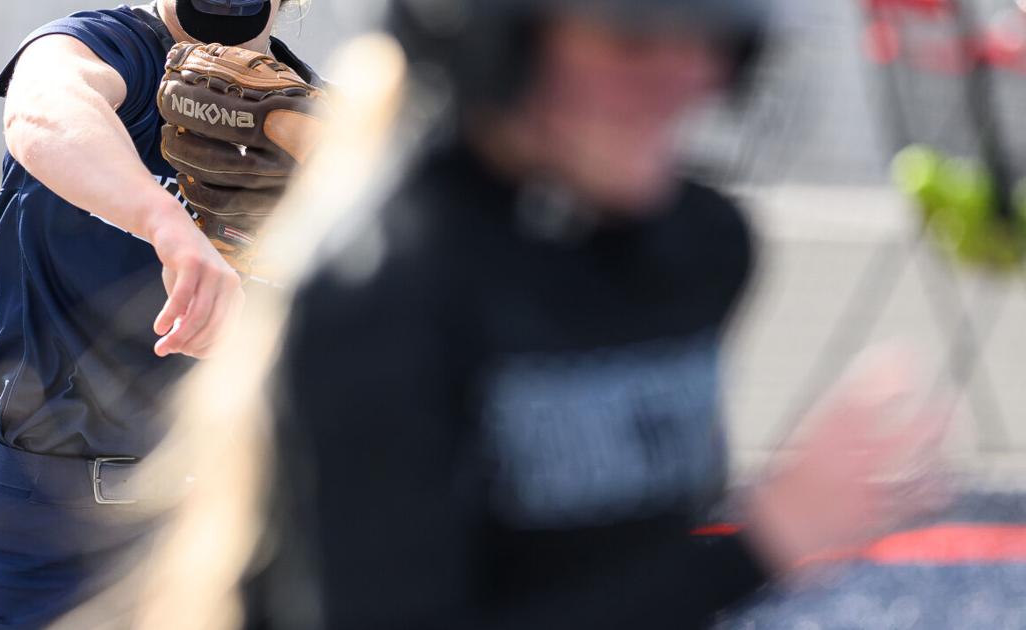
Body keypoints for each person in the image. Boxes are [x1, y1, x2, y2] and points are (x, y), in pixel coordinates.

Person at [243, 0, 952, 628]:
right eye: (632, 42)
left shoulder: (697, 251)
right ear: (497, 41)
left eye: (708, 38)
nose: (686, 77)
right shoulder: (390, 291)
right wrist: (761, 543)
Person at [0, 2, 323, 628]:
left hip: (220, 519)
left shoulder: (308, 119)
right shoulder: (107, 46)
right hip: (44, 515)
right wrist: (166, 224)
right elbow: (43, 107)